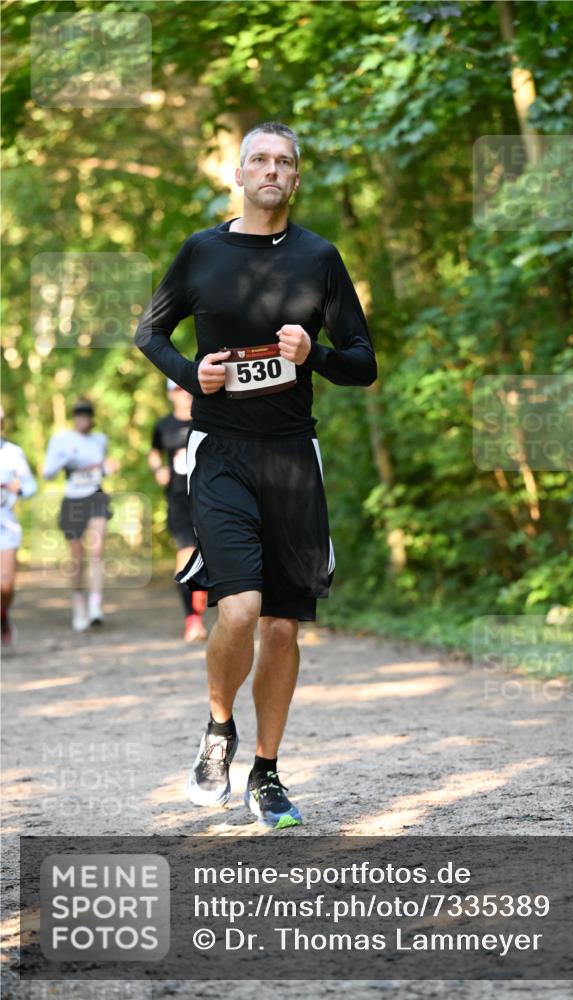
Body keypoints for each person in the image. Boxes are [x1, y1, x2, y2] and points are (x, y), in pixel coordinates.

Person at [135, 121, 377, 829]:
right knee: (237, 608)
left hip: (294, 459)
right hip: (221, 451)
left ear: (295, 179)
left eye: (284, 162)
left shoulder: (318, 258)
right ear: (238, 174)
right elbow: (151, 332)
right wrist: (191, 372)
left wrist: (317, 355)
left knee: (281, 629)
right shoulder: (201, 252)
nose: (272, 171)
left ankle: (266, 775)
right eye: (259, 160)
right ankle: (218, 730)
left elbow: (362, 361)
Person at [43, 399, 119, 631]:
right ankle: (79, 606)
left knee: (96, 551)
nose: (82, 419)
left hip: (95, 496)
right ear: (74, 417)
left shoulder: (100, 440)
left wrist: (106, 468)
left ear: (92, 418)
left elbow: (101, 471)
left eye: (86, 415)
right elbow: (47, 473)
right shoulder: (61, 440)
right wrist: (67, 457)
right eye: (78, 415)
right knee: (77, 559)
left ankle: (96, 607)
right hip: (72, 500)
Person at [149, 378, 208, 642]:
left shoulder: (206, 419)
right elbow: (154, 453)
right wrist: (158, 469)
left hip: (209, 498)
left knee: (210, 558)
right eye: (177, 389)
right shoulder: (163, 426)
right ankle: (192, 620)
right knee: (185, 556)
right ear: (170, 394)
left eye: (186, 388)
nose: (183, 394)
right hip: (178, 500)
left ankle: (201, 591)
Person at [0, 405, 37, 646]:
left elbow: (32, 487)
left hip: (6, 525)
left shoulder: (13, 453)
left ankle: (3, 614)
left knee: (6, 584)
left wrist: (18, 489)